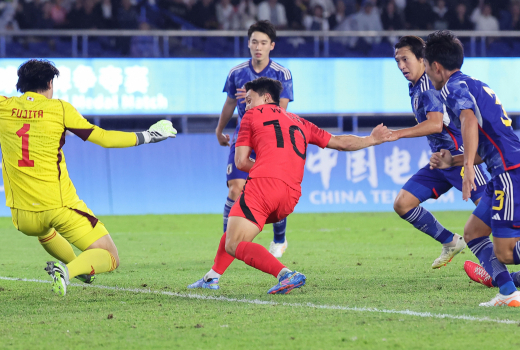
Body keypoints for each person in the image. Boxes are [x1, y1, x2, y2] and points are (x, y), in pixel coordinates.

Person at [0, 32, 177, 297]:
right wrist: (150, 136)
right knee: (109, 255)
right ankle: (69, 271)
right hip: (58, 205)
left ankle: (78, 268)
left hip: (23, 218)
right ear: (49, 83)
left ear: (21, 85)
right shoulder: (59, 108)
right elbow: (104, 139)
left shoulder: (0, 106)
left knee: (44, 230)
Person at [189, 77, 391, 293]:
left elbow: (240, 161)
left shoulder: (251, 116)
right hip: (290, 197)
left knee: (234, 242)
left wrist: (264, 166)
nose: (245, 105)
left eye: (249, 100)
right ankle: (212, 277)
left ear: (266, 97)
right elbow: (339, 142)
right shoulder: (300, 122)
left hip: (264, 187)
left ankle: (286, 274)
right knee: (236, 231)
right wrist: (371, 140)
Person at [426, 30, 520, 307]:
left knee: (504, 252)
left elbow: (467, 120)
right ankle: (507, 293)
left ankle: (508, 290)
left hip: (509, 171)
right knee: (473, 233)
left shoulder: (451, 87)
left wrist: (466, 167)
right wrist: (453, 161)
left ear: (437, 68)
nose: (428, 76)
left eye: (428, 68)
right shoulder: (473, 83)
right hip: (502, 170)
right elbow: (483, 143)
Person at [387, 36, 488, 269]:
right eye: (397, 61)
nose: (401, 66)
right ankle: (450, 241)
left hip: (459, 157)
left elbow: (434, 124)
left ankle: (495, 271)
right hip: (440, 161)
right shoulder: (415, 86)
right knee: (403, 204)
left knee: (492, 215)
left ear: (422, 59)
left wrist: (397, 134)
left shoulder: (428, 86)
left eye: (405, 59)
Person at [216, 21, 293, 258]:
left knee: (275, 193)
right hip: (243, 137)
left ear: (272, 45)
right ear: (248, 44)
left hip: (270, 140)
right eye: (254, 42)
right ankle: (228, 241)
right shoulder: (236, 73)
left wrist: (254, 99)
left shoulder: (282, 74)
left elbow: (281, 110)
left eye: (263, 43)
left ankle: (279, 238)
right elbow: (230, 102)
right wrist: (219, 130)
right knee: (236, 188)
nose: (258, 47)